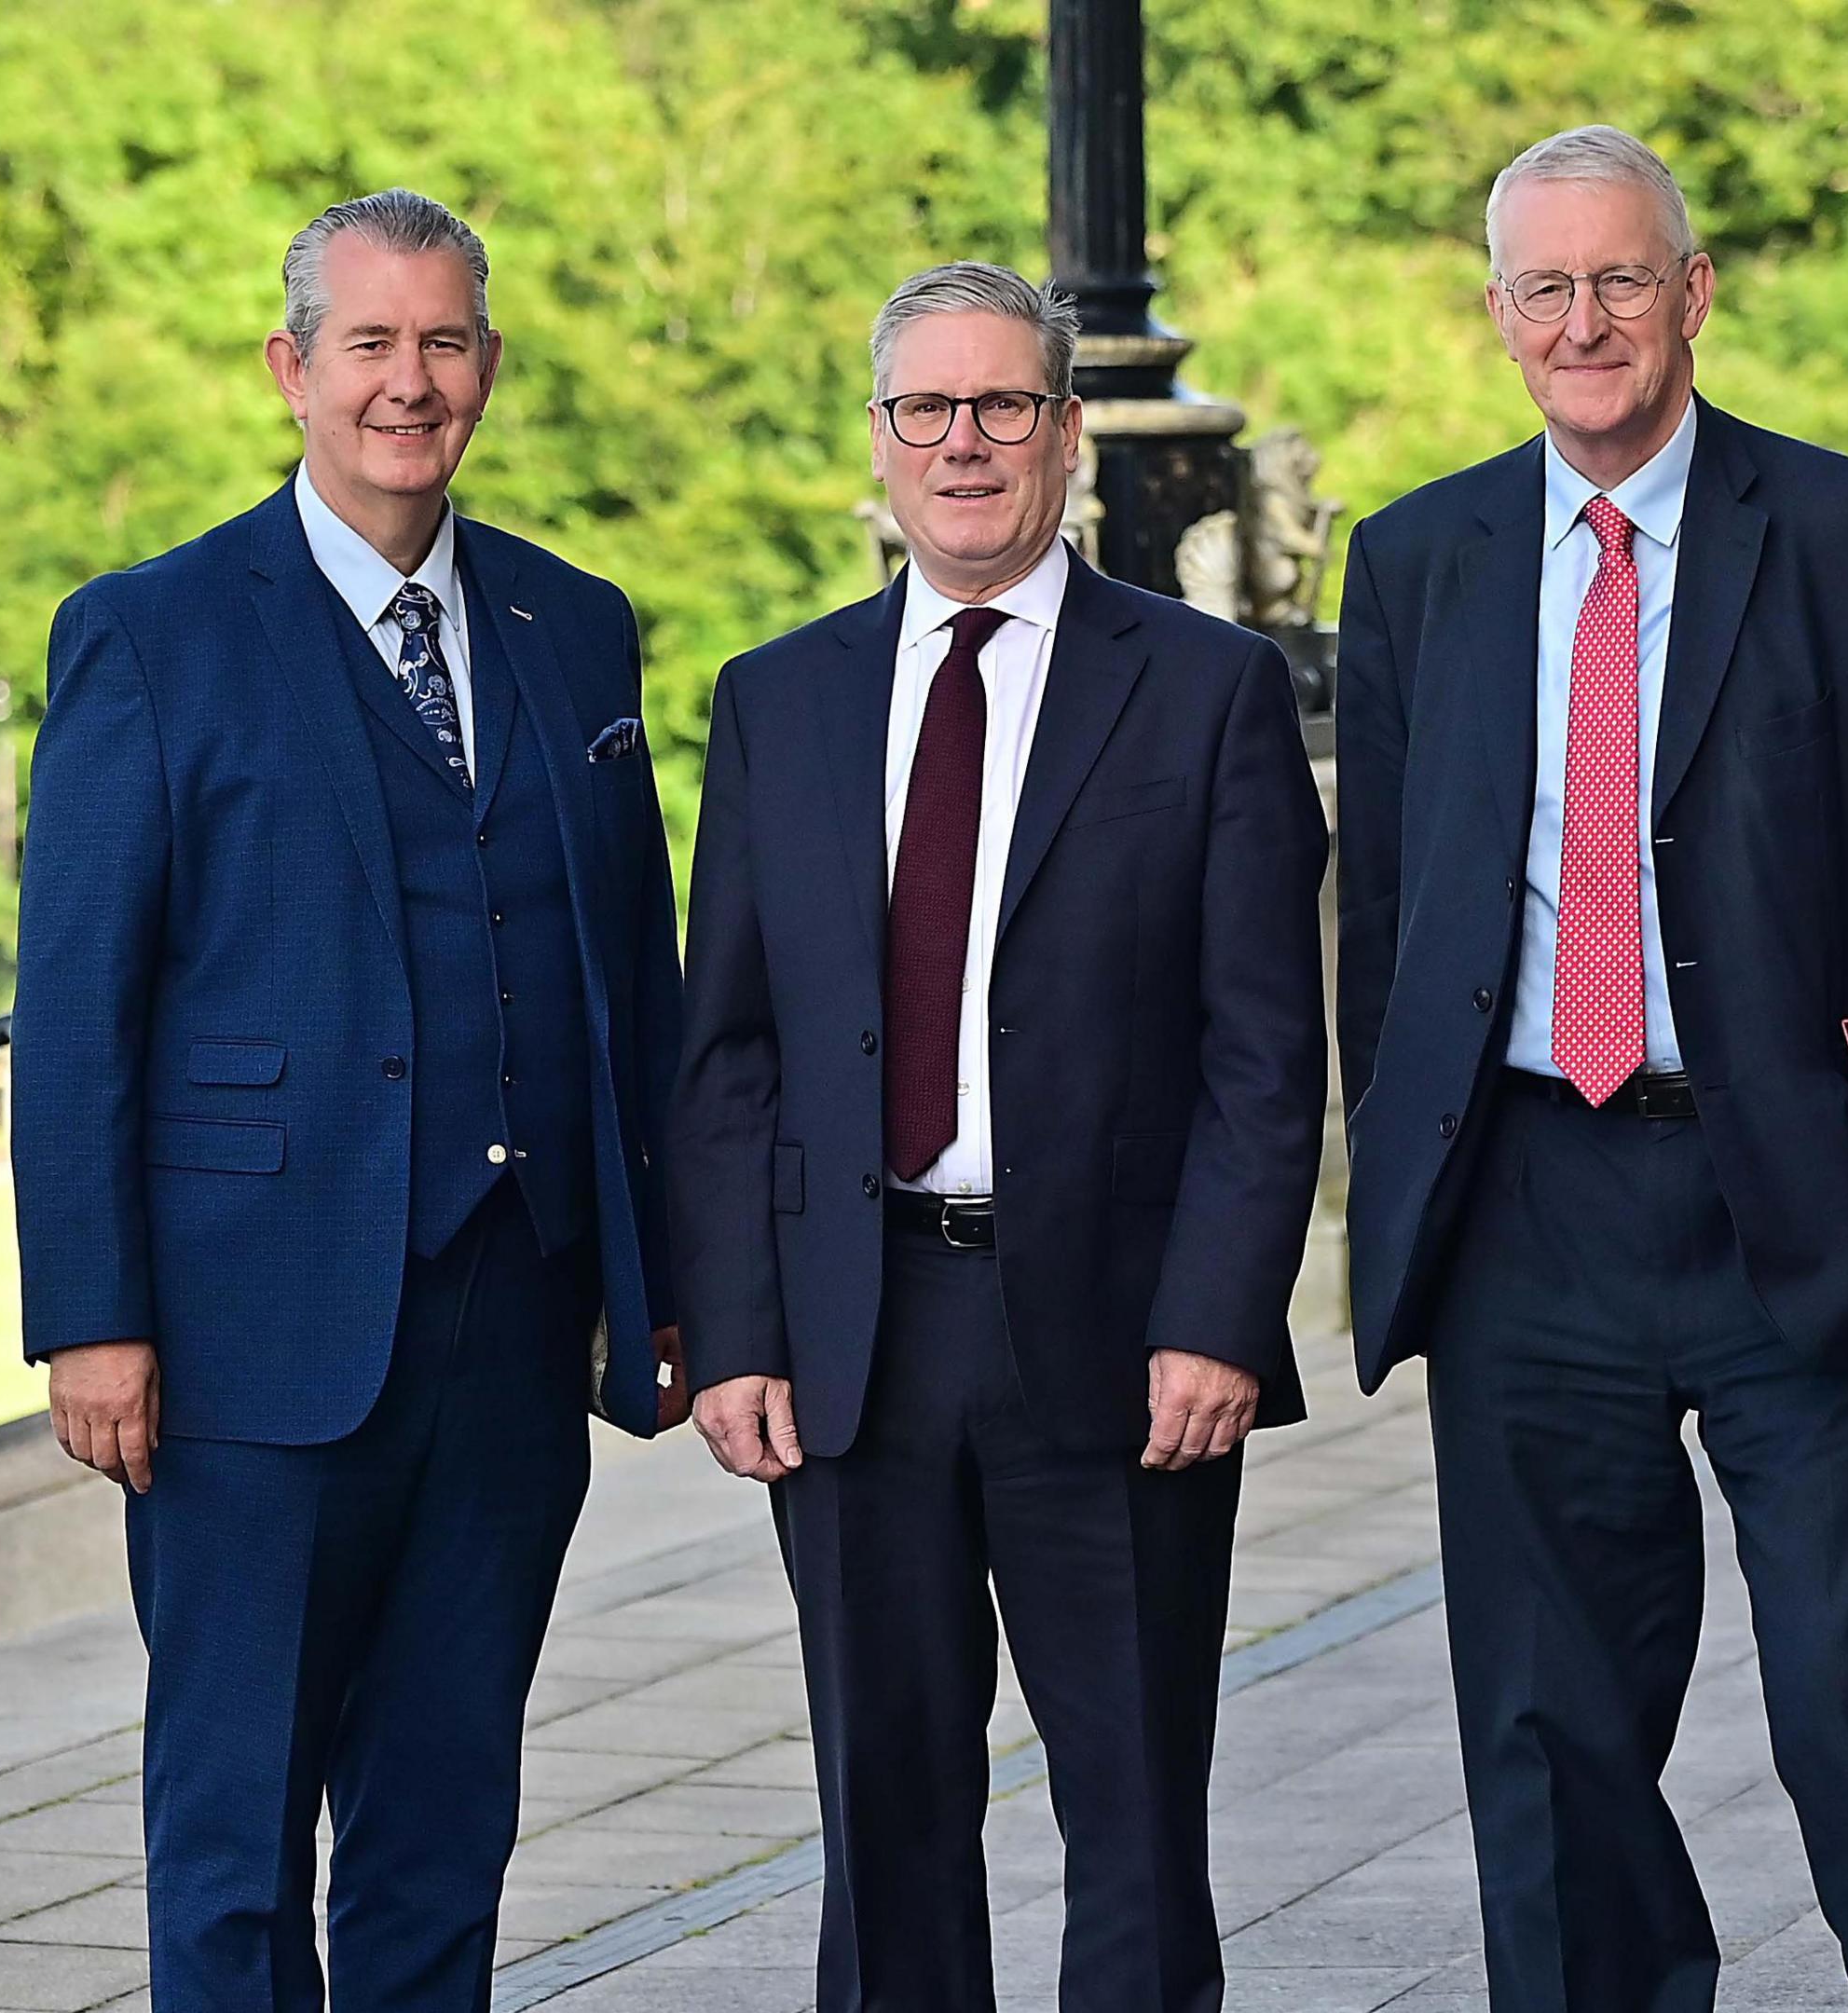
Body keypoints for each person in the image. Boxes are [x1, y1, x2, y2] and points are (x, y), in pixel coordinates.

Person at [1330, 127, 1848, 2011]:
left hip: (1793, 1208)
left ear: (1694, 293)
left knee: (1838, 1695)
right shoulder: (1418, 560)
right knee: (1550, 1731)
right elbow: (1393, 916)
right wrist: (1398, 1192)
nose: (1586, 322)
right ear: (1499, 312)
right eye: (1546, 287)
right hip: (1523, 1212)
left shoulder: (1839, 537)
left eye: (1621, 280)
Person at [11, 189, 686, 2009]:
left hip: (516, 1313)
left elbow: (641, 976)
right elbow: (73, 1010)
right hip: (248, 1337)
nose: (411, 383)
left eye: (445, 342)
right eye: (371, 343)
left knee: (446, 1817)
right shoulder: (149, 634)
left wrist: (668, 1279)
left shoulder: (572, 623)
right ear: (291, 368)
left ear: (487, 367)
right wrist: (92, 1319)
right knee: (235, 1835)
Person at [670, 261, 1329, 2013]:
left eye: (1003, 407)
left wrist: (1217, 1322)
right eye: (926, 411)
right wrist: (733, 1329)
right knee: (882, 1810)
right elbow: (729, 1051)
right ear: (877, 445)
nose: (964, 444)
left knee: (1130, 1809)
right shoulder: (777, 701)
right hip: (853, 1334)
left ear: (1067, 431)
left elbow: (1267, 1051)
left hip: (1118, 1339)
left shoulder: (1205, 692)